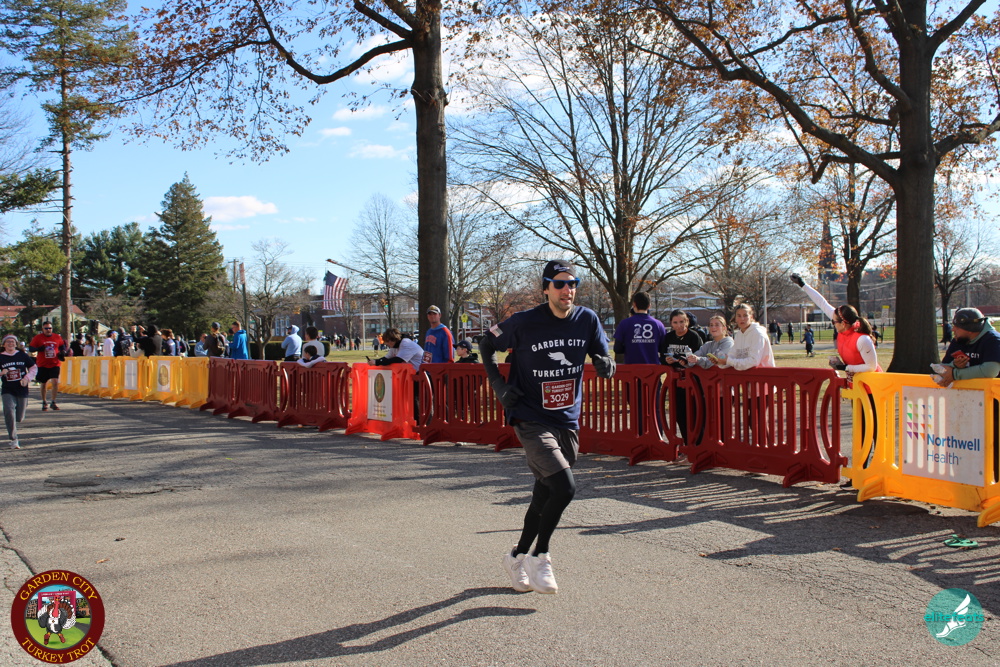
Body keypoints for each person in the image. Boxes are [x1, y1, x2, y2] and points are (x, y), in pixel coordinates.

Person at [480, 260, 615, 595]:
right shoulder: (523, 322)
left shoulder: (587, 319)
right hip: (529, 416)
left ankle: (516, 557)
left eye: (573, 283)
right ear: (546, 288)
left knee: (544, 492)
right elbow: (485, 344)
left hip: (566, 419)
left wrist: (606, 365)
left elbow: (605, 357)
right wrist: (499, 386)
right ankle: (541, 556)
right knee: (564, 487)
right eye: (559, 284)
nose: (567, 289)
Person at [791, 274, 880, 381]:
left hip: (872, 385)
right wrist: (802, 284)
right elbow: (822, 303)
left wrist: (845, 367)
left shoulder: (862, 339)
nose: (833, 323)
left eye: (834, 321)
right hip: (856, 383)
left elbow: (871, 367)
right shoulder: (842, 328)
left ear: (843, 324)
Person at [933, 308, 1000, 386]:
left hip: (992, 392)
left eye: (957, 327)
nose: (953, 329)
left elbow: (990, 371)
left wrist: (955, 374)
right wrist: (954, 365)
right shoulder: (958, 340)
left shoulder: (993, 340)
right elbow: (943, 367)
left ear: (970, 329)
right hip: (967, 391)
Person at [1, 334, 37, 449]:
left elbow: (33, 368)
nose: (10, 343)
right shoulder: (1, 357)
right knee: (9, 411)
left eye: (12, 342)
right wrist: (1, 373)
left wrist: (27, 378)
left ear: (16, 344)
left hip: (21, 388)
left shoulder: (22, 355)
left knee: (19, 418)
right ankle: (13, 439)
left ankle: (16, 419)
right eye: (8, 342)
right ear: (3, 344)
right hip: (7, 389)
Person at [715, 304, 775, 370]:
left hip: (763, 374)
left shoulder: (758, 333)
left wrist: (728, 361)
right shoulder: (739, 335)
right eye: (739, 316)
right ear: (735, 318)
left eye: (745, 315)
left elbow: (753, 361)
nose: (742, 319)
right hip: (746, 375)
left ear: (751, 317)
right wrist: (720, 361)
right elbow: (732, 357)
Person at [612, 292, 666, 364]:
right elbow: (663, 349)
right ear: (649, 306)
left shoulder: (624, 323)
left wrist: (630, 346)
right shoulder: (658, 324)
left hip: (632, 367)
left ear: (634, 304)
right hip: (653, 368)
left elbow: (617, 349)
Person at [28, 321, 67, 412]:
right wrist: (39, 349)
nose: (48, 330)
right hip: (42, 364)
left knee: (55, 381)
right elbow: (31, 348)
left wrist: (62, 352)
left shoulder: (57, 337)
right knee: (44, 383)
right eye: (46, 328)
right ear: (43, 329)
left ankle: (53, 401)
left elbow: (62, 346)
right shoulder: (38, 338)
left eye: (50, 328)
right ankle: (44, 401)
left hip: (54, 363)